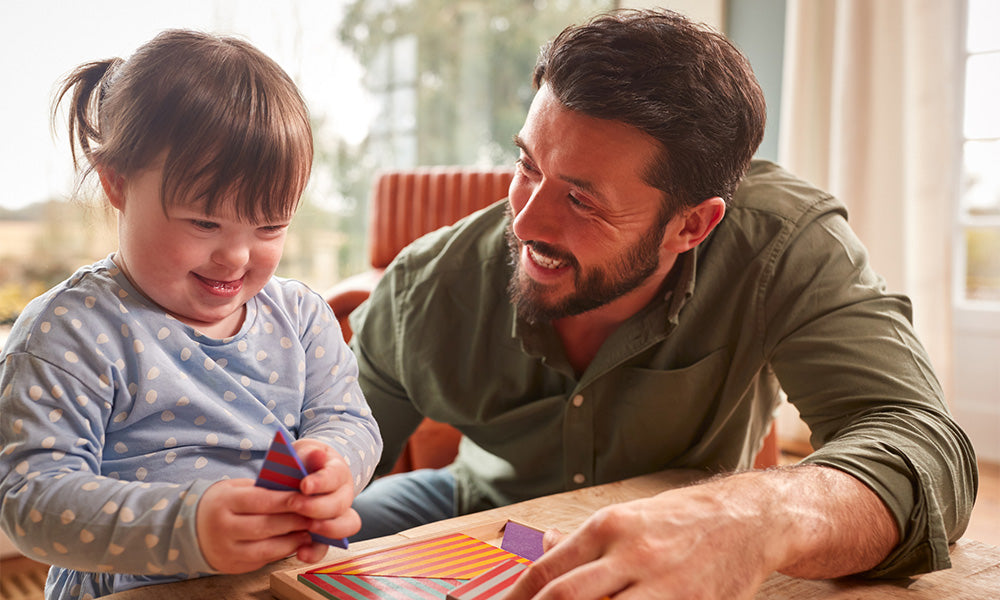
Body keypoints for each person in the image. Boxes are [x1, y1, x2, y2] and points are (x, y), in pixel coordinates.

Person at [346, 8, 978, 599]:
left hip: (689, 535)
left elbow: (926, 451)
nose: (526, 221)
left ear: (692, 226)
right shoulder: (423, 289)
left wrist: (756, 518)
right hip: (479, 509)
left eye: (582, 199)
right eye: (528, 166)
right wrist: (285, 503)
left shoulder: (787, 245)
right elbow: (334, 444)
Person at [0, 30, 381, 600]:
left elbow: (350, 421)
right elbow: (29, 500)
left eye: (270, 226)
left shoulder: (301, 317)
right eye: (204, 223)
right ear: (117, 185)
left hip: (276, 582)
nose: (236, 256)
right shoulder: (71, 331)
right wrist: (188, 528)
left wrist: (333, 467)